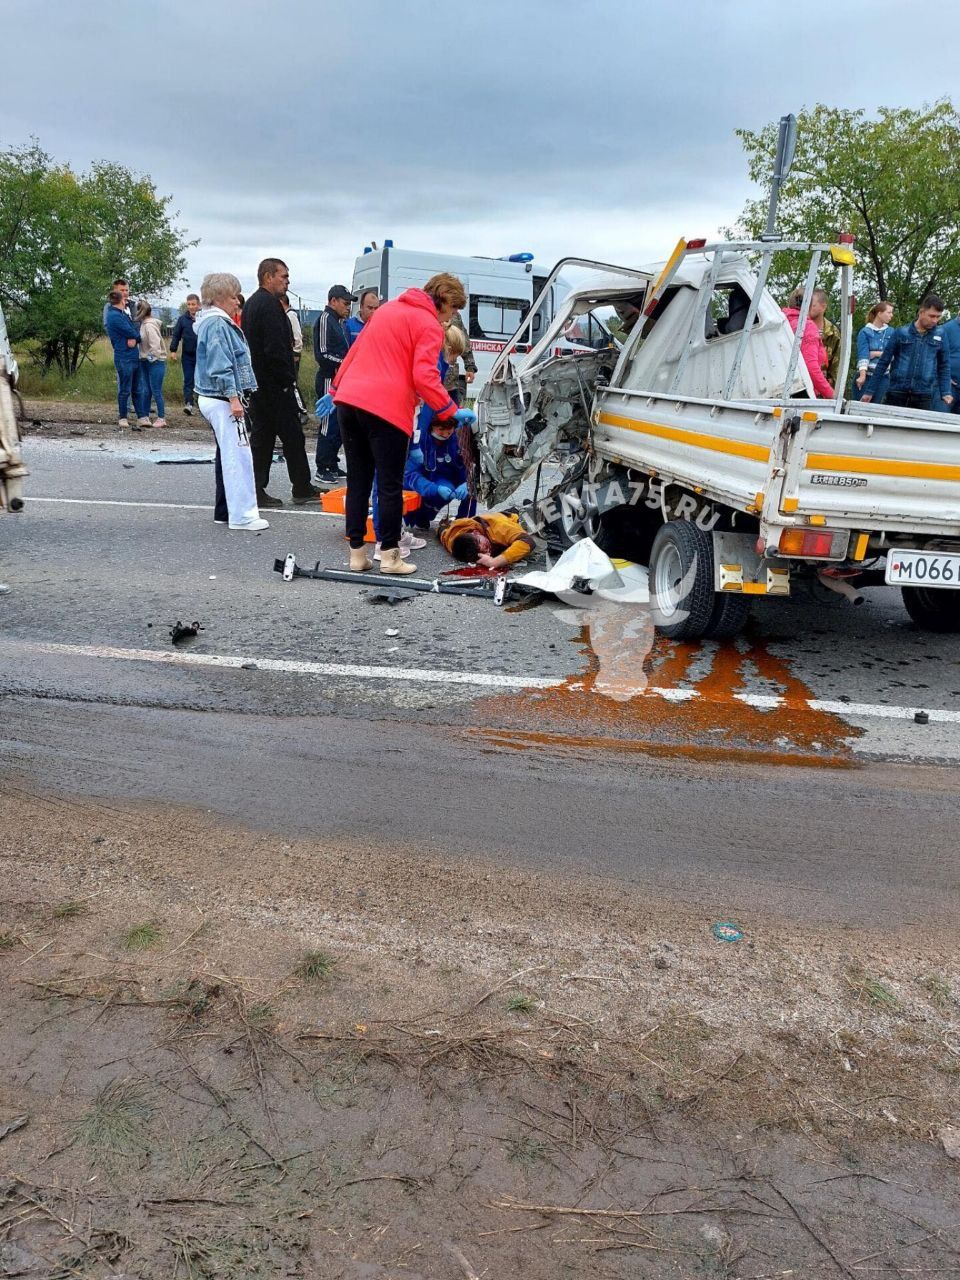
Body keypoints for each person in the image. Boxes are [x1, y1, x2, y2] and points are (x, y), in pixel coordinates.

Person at [319, 272, 475, 576]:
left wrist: (336, 390)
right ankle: (390, 557)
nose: (453, 316)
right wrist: (452, 410)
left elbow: (354, 354)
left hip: (350, 404)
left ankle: (358, 556)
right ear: (443, 300)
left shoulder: (388, 310)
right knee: (389, 485)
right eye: (454, 309)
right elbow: (425, 376)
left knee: (359, 482)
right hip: (386, 410)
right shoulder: (429, 325)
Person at [241, 258, 319, 507]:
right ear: (268, 277)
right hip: (273, 386)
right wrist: (288, 381)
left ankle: (294, 486)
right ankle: (287, 487)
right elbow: (275, 349)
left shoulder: (254, 303)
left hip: (261, 384)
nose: (287, 281)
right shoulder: (268, 306)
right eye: (283, 276)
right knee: (278, 438)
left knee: (278, 437)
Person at [194, 272, 267, 531]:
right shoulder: (217, 324)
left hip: (216, 397)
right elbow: (221, 365)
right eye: (235, 296)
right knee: (238, 457)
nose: (238, 301)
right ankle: (242, 516)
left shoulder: (211, 322)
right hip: (222, 398)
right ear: (222, 297)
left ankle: (224, 511)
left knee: (227, 454)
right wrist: (234, 398)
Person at [863, 295, 953, 412]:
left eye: (938, 317)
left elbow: (944, 365)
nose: (935, 320)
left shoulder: (941, 335)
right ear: (921, 312)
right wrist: (870, 391)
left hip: (924, 395)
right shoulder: (901, 333)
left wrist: (946, 392)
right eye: (931, 316)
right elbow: (883, 362)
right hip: (897, 392)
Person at [313, 284, 354, 484]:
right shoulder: (324, 319)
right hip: (329, 378)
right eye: (345, 303)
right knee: (328, 423)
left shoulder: (339, 322)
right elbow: (322, 354)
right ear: (333, 301)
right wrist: (345, 364)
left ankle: (331, 462)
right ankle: (322, 466)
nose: (348, 308)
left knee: (339, 424)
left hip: (342, 379)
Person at [104, 289, 146, 428]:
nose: (126, 301)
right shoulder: (114, 316)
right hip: (124, 356)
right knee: (125, 388)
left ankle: (141, 416)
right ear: (122, 300)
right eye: (125, 299)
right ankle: (123, 417)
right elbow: (131, 331)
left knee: (136, 388)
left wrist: (134, 337)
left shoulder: (122, 314)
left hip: (133, 355)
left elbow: (134, 329)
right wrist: (136, 337)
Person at [440, 510, 535, 570]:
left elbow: (528, 541)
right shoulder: (451, 539)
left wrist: (495, 561)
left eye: (480, 542)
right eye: (481, 553)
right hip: (499, 520)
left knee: (541, 518)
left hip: (514, 519)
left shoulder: (498, 529)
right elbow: (441, 531)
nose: (488, 553)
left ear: (476, 533)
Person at [782, 289, 834, 398]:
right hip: (802, 392)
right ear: (809, 305)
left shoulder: (783, 323)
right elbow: (811, 368)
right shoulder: (807, 326)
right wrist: (831, 394)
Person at [854, 301, 894, 402]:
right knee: (861, 406)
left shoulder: (891, 332)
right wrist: (862, 376)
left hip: (883, 377)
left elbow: (893, 355)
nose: (891, 315)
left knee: (878, 408)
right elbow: (863, 354)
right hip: (867, 376)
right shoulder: (865, 332)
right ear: (879, 313)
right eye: (889, 312)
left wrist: (874, 353)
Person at [136, 301, 168, 427]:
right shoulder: (144, 324)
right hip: (146, 361)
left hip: (155, 362)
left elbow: (155, 347)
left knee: (156, 390)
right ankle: (145, 416)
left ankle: (161, 418)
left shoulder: (149, 326)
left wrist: (149, 358)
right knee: (146, 390)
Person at [169, 293, 200, 415]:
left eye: (193, 304)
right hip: (188, 355)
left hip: (203, 356)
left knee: (202, 381)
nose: (191, 307)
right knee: (188, 380)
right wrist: (173, 350)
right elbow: (176, 335)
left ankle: (202, 404)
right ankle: (189, 404)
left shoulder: (203, 318)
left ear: (198, 304)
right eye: (189, 304)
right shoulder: (182, 319)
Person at [442, 312, 477, 404]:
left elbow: (463, 341)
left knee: (452, 406)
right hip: (434, 371)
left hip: (450, 377)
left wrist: (470, 366)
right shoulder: (428, 312)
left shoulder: (455, 315)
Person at [940, 310, 960, 414]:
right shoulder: (946, 329)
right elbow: (934, 355)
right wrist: (945, 377)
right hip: (948, 387)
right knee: (940, 423)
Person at [279, 292, 303, 374]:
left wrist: (296, 353)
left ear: (281, 303)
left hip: (292, 355)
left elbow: (297, 335)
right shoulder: (285, 315)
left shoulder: (291, 315)